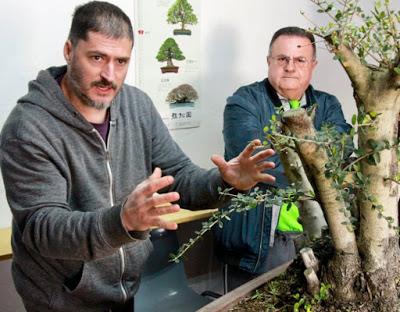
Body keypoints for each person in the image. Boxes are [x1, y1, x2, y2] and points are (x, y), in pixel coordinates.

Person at [0, 2, 277, 312]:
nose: (109, 75)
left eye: (121, 61)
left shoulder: (137, 106)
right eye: (97, 58)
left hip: (126, 290)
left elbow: (179, 177)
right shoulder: (28, 127)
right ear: (68, 50)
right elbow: (43, 228)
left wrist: (225, 182)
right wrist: (122, 221)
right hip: (61, 299)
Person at [213, 26, 352, 291]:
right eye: (282, 59)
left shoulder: (328, 105)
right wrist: (319, 164)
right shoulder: (244, 102)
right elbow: (261, 163)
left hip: (319, 235)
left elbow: (342, 152)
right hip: (262, 242)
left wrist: (312, 161)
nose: (290, 67)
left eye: (299, 60)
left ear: (312, 65)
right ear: (269, 62)